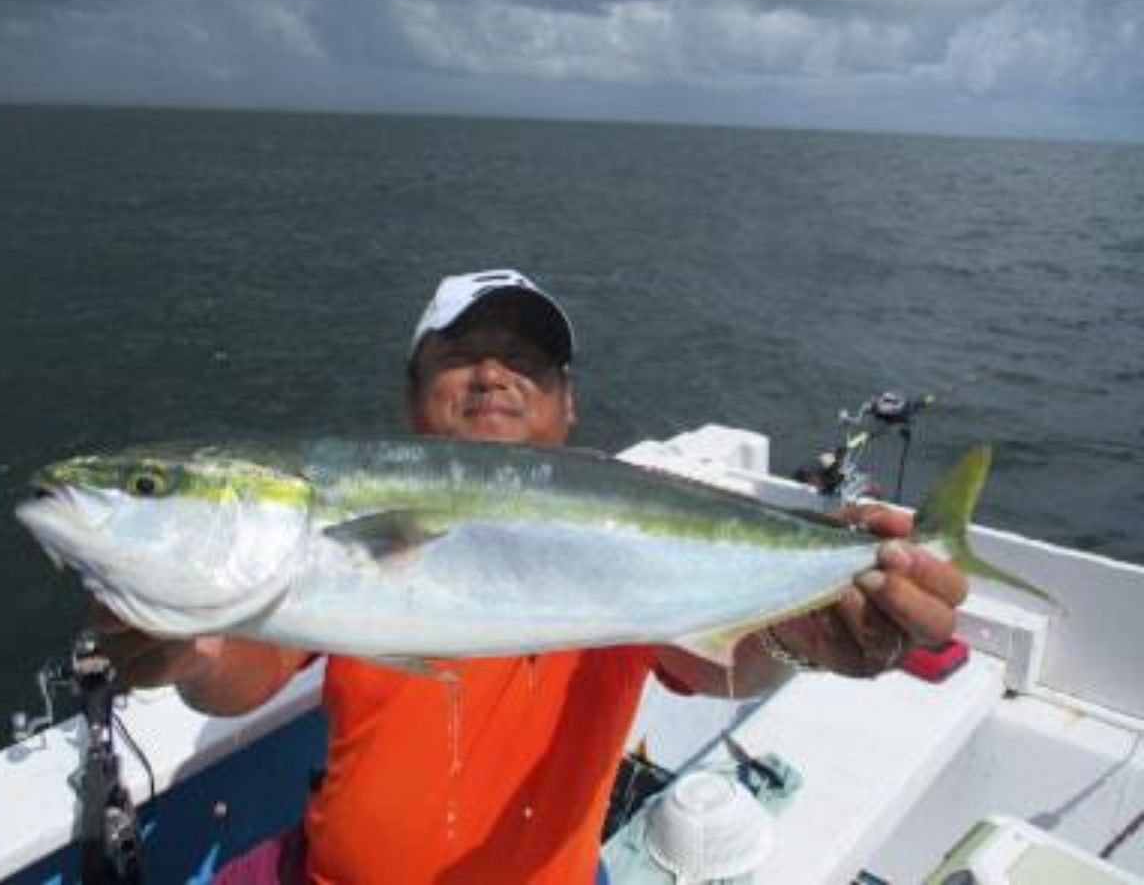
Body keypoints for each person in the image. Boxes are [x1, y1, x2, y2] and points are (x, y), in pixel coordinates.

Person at [96, 269, 967, 884]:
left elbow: (725, 660)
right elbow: (240, 676)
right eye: (461, 354)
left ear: (568, 407)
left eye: (530, 363)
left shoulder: (628, 530)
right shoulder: (339, 522)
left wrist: (809, 631)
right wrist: (190, 652)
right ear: (411, 400)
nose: (494, 373)